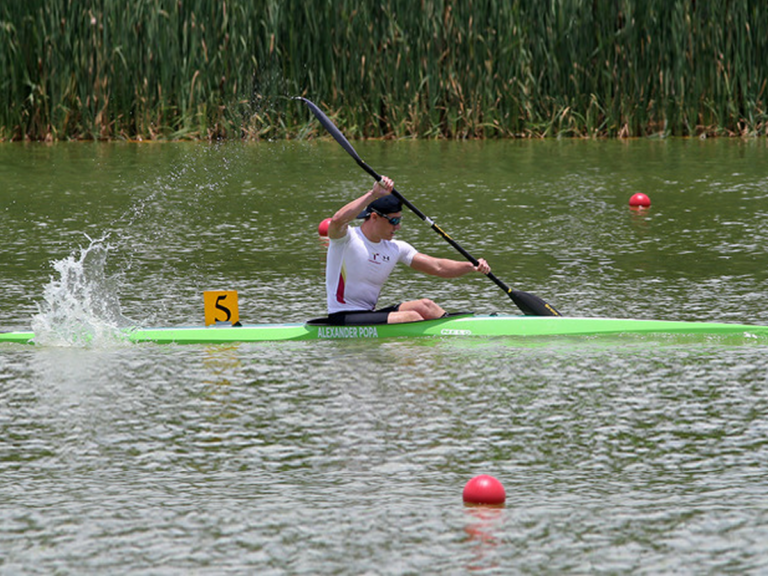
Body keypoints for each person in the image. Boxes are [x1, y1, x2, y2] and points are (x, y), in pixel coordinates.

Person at [324, 176, 491, 325]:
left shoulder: (396, 247)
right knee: (410, 317)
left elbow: (437, 266)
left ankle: (461, 332)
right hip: (342, 316)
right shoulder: (346, 239)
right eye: (394, 220)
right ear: (374, 217)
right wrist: (373, 194)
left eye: (399, 220)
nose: (398, 227)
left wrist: (470, 266)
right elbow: (337, 220)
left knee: (425, 305)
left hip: (369, 314)